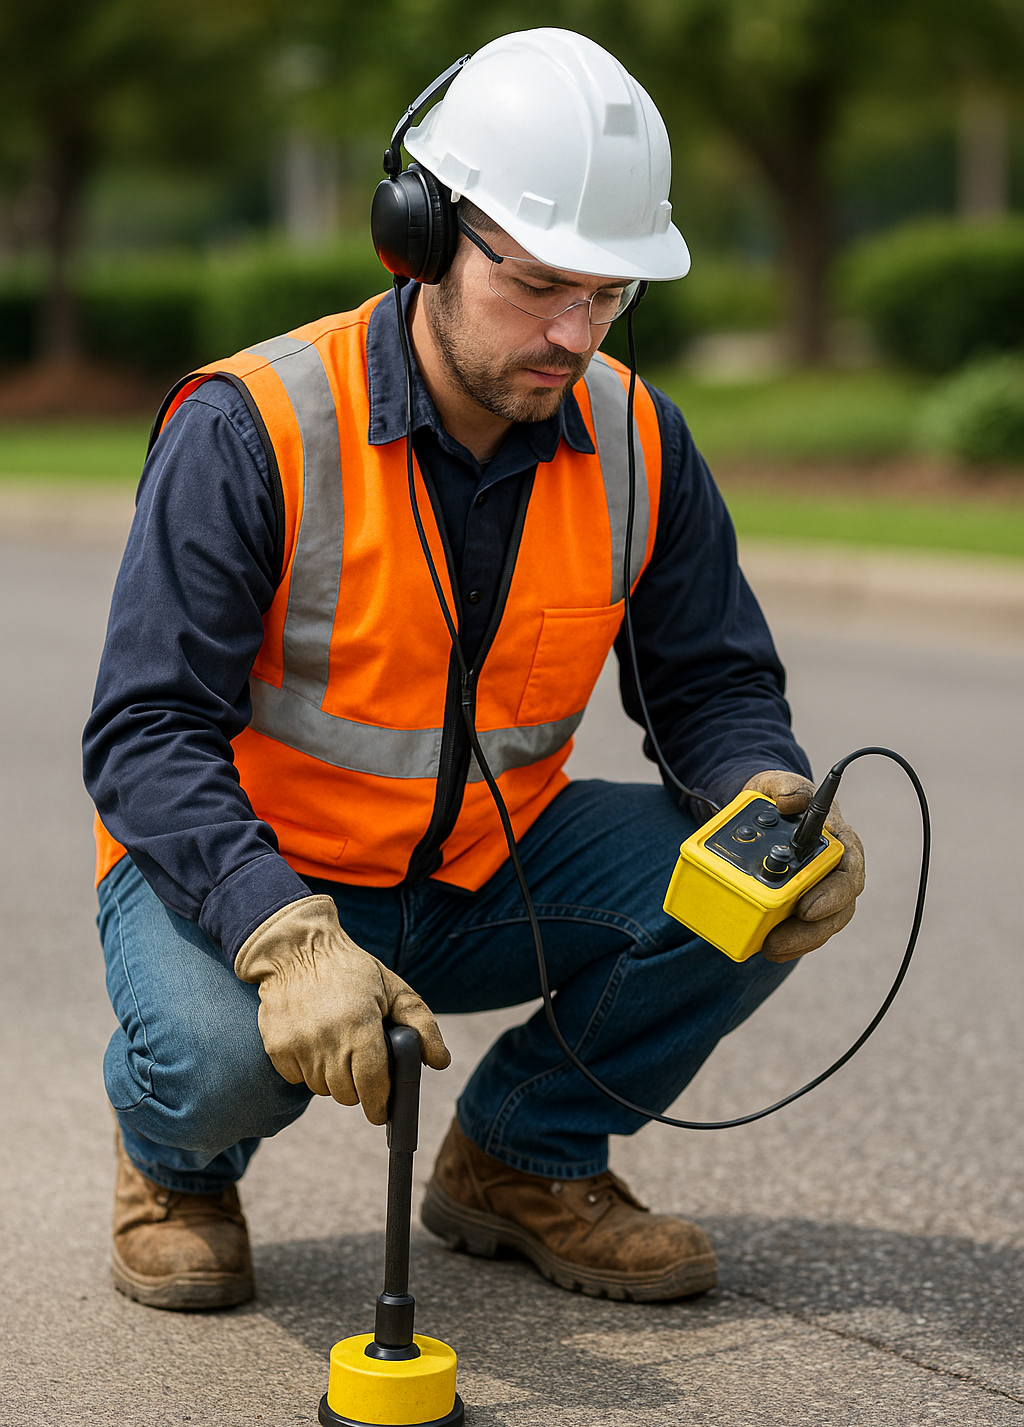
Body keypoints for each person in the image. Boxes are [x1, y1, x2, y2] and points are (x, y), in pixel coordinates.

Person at [83, 29, 864, 1312]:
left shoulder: (636, 436)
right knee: (221, 1057)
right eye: (542, 283)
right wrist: (280, 935)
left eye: (609, 293)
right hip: (249, 881)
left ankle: (521, 1158)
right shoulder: (255, 427)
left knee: (754, 882)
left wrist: (769, 798)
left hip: (485, 871)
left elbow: (712, 683)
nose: (575, 332)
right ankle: (173, 1164)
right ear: (423, 234)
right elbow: (144, 729)